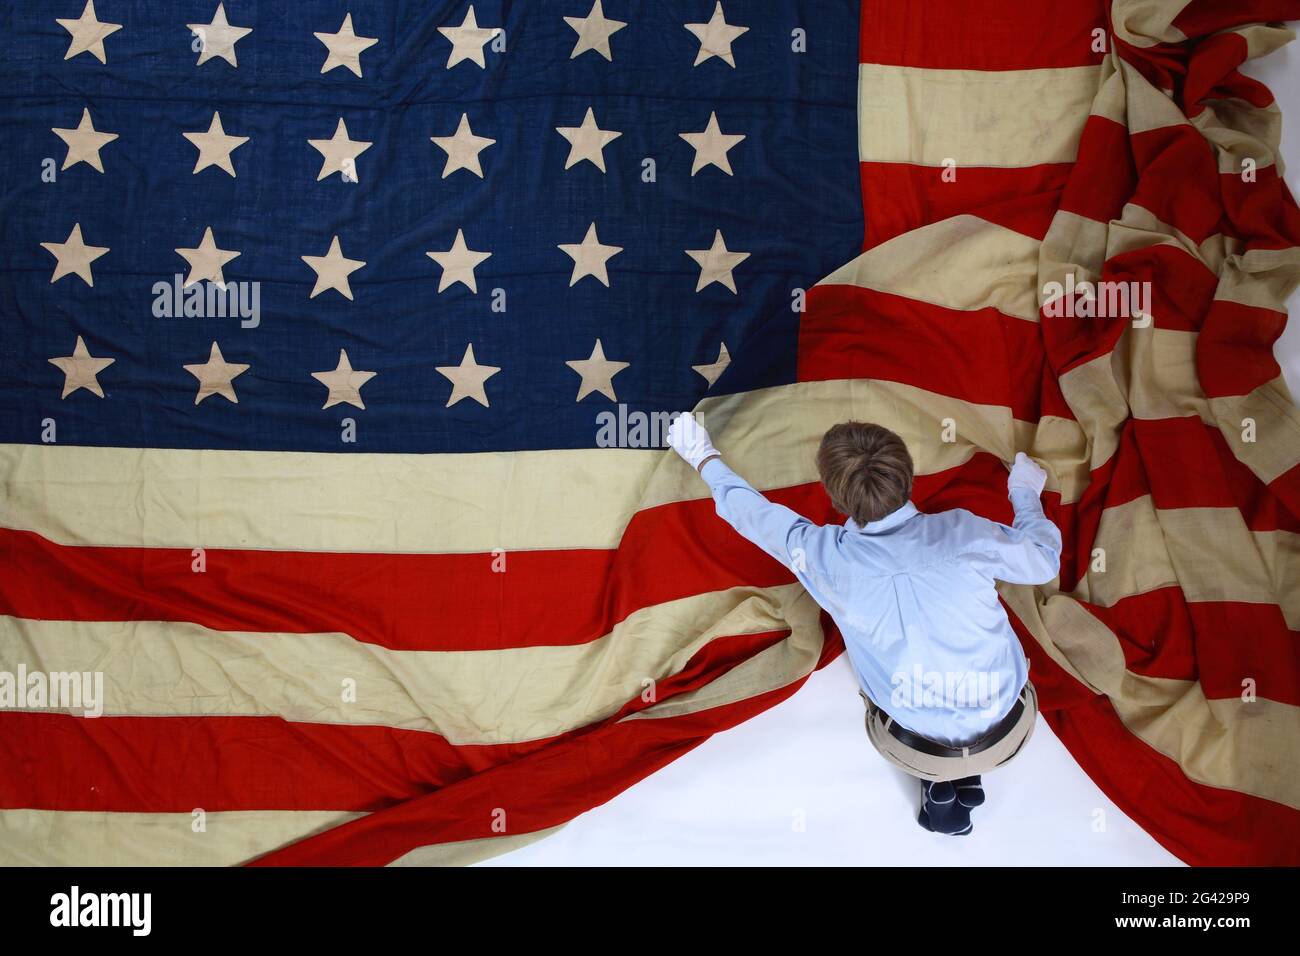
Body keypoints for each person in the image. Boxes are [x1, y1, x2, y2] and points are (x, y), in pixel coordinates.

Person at [665, 413, 1062, 835]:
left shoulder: (823, 557)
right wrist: (1023, 493)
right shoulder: (963, 531)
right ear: (907, 476)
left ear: (836, 499)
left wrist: (702, 454)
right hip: (1010, 730)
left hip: (912, 745)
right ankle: (964, 767)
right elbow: (1042, 559)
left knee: (908, 701)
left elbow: (754, 516)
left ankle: (941, 780)